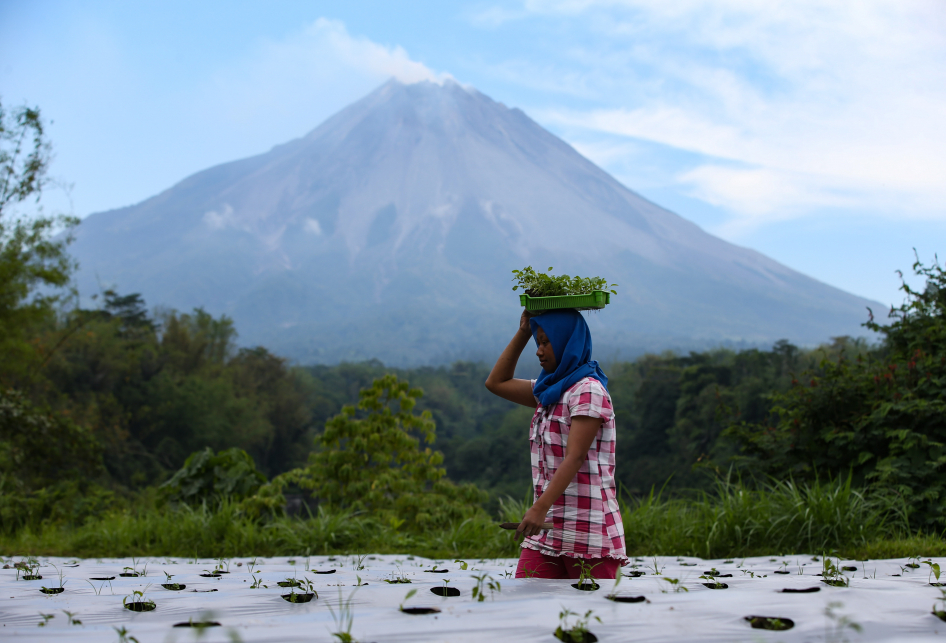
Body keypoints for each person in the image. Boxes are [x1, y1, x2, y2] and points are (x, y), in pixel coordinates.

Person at [485, 308, 627, 579]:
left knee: (593, 615)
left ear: (567, 342)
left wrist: (538, 508)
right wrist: (524, 332)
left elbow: (574, 457)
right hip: (547, 528)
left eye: (546, 342)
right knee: (530, 610)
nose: (539, 351)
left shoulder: (587, 390)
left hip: (587, 528)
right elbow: (496, 382)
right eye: (538, 343)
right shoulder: (550, 391)